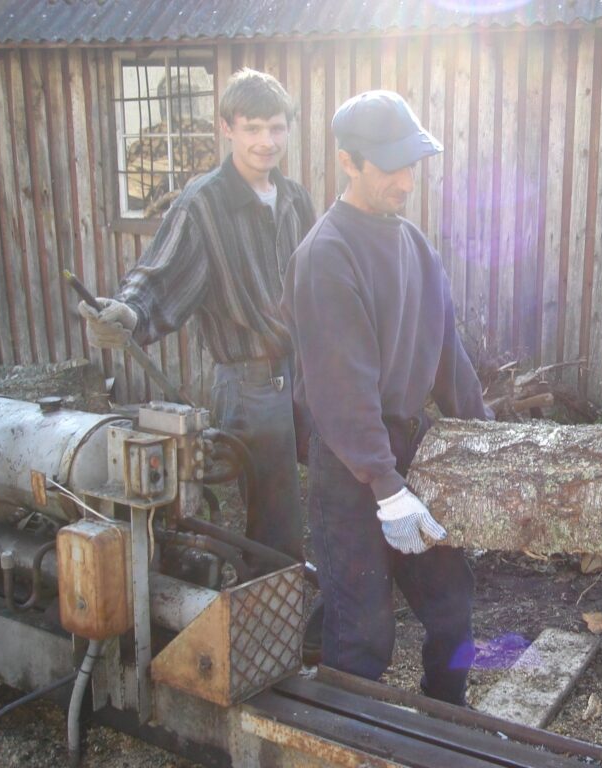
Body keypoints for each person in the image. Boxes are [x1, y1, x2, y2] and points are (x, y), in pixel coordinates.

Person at [280, 90, 491, 705]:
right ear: (348, 162)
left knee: (453, 604)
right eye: (391, 166)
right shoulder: (326, 255)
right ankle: (350, 735)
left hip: (412, 450)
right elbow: (341, 390)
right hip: (350, 464)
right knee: (362, 631)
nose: (406, 181)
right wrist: (384, 484)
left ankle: (447, 711)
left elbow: (449, 355)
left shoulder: (415, 246)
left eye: (412, 165)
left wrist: (489, 441)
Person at [77, 69, 315, 563]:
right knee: (274, 520)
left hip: (302, 372)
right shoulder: (204, 202)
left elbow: (318, 279)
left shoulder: (294, 199)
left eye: (276, 128)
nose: (266, 141)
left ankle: (299, 588)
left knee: (319, 489)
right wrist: (127, 311)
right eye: (252, 128)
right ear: (227, 128)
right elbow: (159, 273)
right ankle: (269, 603)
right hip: (249, 382)